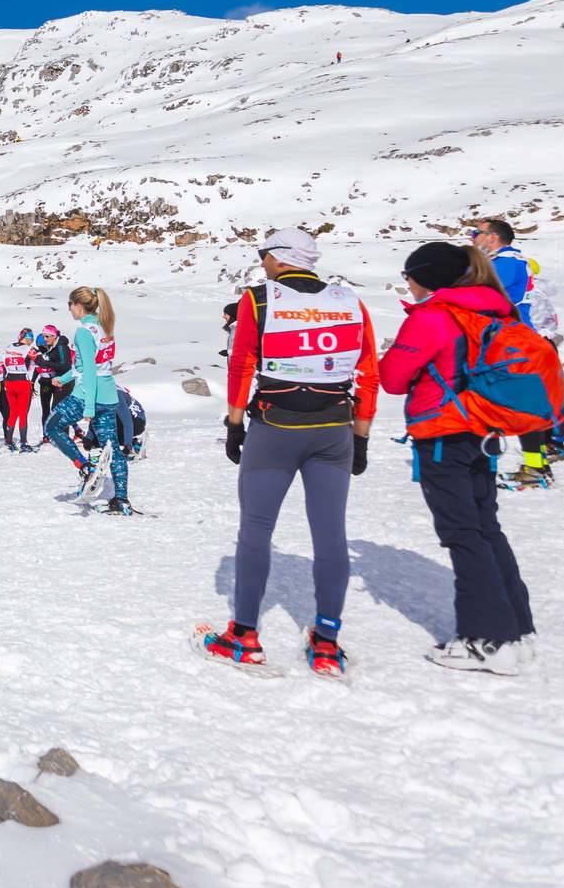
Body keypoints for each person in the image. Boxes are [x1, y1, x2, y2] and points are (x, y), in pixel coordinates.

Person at [204, 229, 379, 675]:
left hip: (275, 426)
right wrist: (361, 438)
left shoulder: (258, 299)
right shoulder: (348, 301)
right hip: (334, 428)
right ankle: (326, 643)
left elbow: (241, 363)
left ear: (280, 258)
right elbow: (367, 373)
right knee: (330, 534)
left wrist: (234, 422)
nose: (261, 261)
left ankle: (243, 636)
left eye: (264, 254)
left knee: (256, 529)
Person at [382, 242, 540, 676]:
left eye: (408, 275)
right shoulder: (496, 310)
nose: (407, 284)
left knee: (462, 534)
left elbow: (393, 379)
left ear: (426, 276)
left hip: (442, 432)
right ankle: (518, 631)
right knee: (486, 527)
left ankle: (486, 641)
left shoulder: (434, 315)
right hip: (486, 430)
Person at [469, 216, 563, 478]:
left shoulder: (507, 262)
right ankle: (537, 464)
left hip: (514, 343)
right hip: (512, 342)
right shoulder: (502, 262)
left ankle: (535, 468)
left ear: (493, 237)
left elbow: (477, 295)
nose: (473, 237)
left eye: (477, 232)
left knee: (521, 407)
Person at [42, 287, 131, 513]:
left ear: (78, 306)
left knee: (52, 426)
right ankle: (121, 500)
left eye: (69, 304)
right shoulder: (104, 327)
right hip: (109, 395)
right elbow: (90, 366)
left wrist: (88, 405)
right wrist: (64, 378)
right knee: (112, 447)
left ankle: (84, 466)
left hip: (87, 394)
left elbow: (90, 371)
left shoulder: (83, 332)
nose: (69, 309)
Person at [0, 330, 39, 449]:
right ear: (28, 339)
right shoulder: (28, 348)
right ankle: (23, 443)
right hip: (22, 382)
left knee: (13, 413)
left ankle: (9, 440)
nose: (32, 342)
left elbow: (4, 364)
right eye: (31, 339)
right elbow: (40, 361)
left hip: (9, 382)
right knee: (22, 414)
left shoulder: (9, 347)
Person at [33, 325, 71, 426]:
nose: (45, 340)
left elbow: (65, 366)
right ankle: (52, 437)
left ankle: (64, 437)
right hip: (55, 381)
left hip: (65, 382)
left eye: (47, 337)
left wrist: (46, 363)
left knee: (58, 412)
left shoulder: (61, 346)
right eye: (43, 337)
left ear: (54, 336)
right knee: (54, 411)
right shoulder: (54, 348)